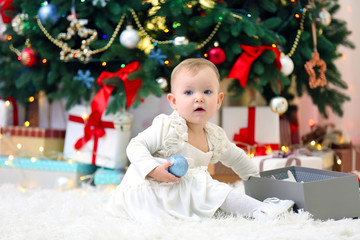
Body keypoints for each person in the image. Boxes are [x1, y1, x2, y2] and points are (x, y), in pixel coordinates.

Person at [108, 58, 294, 221]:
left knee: (204, 190)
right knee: (205, 185)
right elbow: (135, 146)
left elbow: (238, 159)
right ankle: (260, 211)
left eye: (207, 92)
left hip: (178, 193)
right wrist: (154, 170)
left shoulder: (214, 136)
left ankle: (259, 204)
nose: (199, 98)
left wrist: (260, 187)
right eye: (188, 92)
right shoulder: (168, 127)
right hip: (151, 191)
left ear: (219, 100)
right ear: (173, 101)